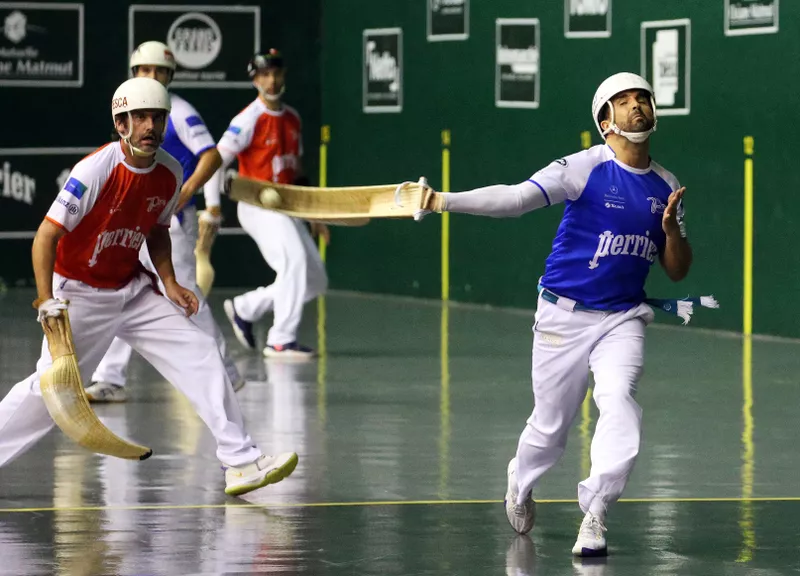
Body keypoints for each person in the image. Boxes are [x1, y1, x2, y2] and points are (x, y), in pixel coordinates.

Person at [414, 72, 715, 556]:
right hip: (563, 316)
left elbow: (677, 270)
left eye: (644, 98)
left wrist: (671, 232)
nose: (639, 106)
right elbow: (515, 199)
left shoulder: (667, 185)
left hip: (622, 318)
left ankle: (595, 514)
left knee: (618, 401)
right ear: (605, 121)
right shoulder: (584, 168)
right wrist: (440, 201)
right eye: (625, 101)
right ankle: (520, 480)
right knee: (550, 428)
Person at [0, 77, 297, 496]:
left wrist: (170, 281)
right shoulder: (95, 170)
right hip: (79, 294)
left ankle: (241, 460)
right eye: (139, 117)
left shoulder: (171, 171)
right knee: (50, 393)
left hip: (133, 291)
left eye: (157, 117)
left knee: (200, 352)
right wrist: (47, 301)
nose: (150, 125)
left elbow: (157, 229)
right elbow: (46, 237)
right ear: (121, 123)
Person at [85, 41, 243, 402]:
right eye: (145, 70)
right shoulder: (134, 112)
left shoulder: (179, 111)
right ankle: (110, 378)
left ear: (170, 76)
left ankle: (225, 373)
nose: (151, 77)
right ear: (134, 73)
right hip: (137, 221)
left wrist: (186, 193)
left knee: (186, 293)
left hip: (171, 222)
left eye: (159, 71)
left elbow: (213, 155)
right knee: (122, 292)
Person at [205, 49, 328, 360]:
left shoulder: (292, 118)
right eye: (264, 75)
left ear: (283, 75)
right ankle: (280, 339)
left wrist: (314, 214)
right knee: (294, 263)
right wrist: (212, 206)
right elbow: (215, 162)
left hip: (287, 207)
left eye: (276, 73)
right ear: (255, 79)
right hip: (256, 206)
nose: (271, 80)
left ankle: (246, 309)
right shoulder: (248, 119)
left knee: (314, 280)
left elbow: (297, 172)